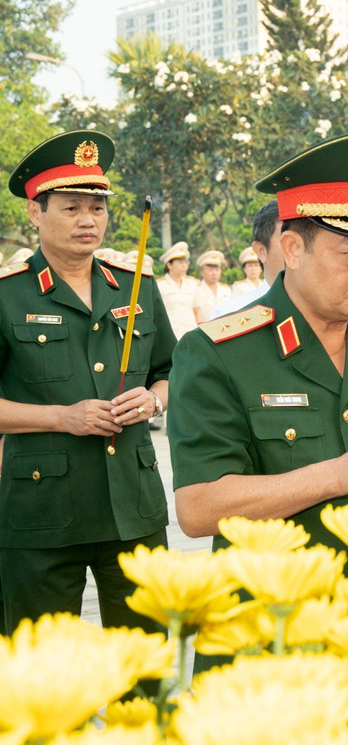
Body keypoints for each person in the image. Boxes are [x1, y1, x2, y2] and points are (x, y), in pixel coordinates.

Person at [167, 132, 348, 582]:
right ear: (294, 249)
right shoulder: (217, 352)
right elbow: (198, 508)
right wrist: (335, 477)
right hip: (273, 620)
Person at [0, 130, 175, 634]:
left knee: (145, 665)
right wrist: (62, 417)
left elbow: (171, 371)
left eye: (97, 208)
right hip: (42, 514)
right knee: (43, 676)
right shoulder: (9, 295)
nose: (88, 220)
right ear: (36, 212)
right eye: (71, 207)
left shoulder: (138, 284)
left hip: (134, 507)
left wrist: (153, 401)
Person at [214, 203, 284, 318]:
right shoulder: (230, 315)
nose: (302, 252)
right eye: (289, 243)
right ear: (261, 251)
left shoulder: (321, 313)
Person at [157, 241, 199, 339]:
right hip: (171, 335)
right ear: (169, 265)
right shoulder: (160, 285)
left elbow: (197, 311)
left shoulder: (193, 283)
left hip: (191, 334)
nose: (184, 265)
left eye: (186, 262)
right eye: (180, 262)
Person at [191, 251, 230, 324]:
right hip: (204, 331)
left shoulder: (226, 290)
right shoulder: (196, 289)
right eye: (210, 270)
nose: (214, 273)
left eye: (217, 270)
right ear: (202, 272)